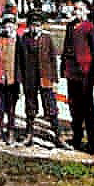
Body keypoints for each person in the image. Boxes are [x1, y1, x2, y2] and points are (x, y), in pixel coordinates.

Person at [18, 11, 66, 148]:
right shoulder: (24, 39)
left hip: (45, 77)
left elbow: (53, 59)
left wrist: (55, 80)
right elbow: (20, 61)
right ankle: (29, 134)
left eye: (38, 25)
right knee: (30, 106)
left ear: (42, 26)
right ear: (29, 26)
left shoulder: (47, 38)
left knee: (51, 107)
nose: (35, 28)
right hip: (30, 78)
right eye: (32, 25)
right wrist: (21, 80)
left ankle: (58, 135)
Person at [61, 0, 94, 153]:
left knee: (87, 107)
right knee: (74, 106)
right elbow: (65, 48)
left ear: (87, 11)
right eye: (75, 9)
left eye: (80, 9)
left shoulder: (89, 27)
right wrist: (63, 68)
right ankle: (77, 137)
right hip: (72, 72)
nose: (76, 12)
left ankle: (92, 141)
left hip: (85, 73)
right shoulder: (70, 27)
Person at [0, 14, 22, 144]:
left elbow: (22, 62)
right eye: (6, 24)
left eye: (11, 24)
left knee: (11, 108)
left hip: (12, 80)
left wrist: (20, 81)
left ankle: (11, 131)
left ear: (15, 26)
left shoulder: (19, 41)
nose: (9, 27)